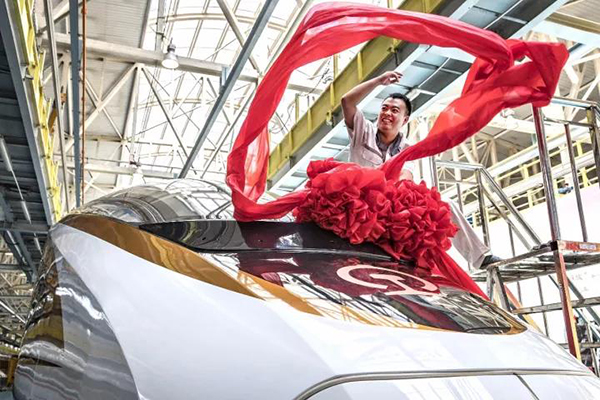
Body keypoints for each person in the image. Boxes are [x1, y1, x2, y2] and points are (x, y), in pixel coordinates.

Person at [341, 71, 499, 269]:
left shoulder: (408, 149)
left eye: (394, 110)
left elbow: (405, 178)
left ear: (405, 119)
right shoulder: (363, 132)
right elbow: (347, 101)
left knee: (445, 205)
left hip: (389, 209)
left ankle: (481, 259)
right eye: (384, 108)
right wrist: (378, 80)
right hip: (360, 208)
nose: (387, 114)